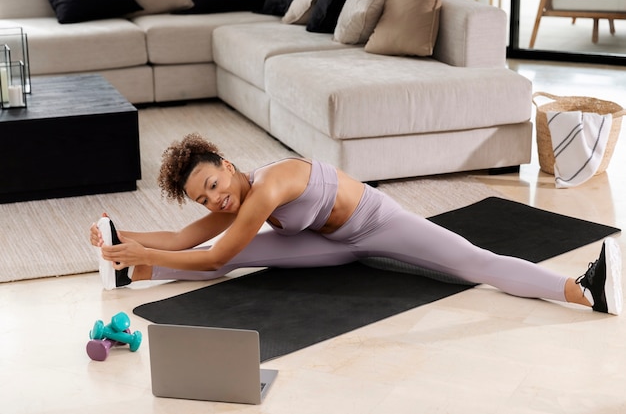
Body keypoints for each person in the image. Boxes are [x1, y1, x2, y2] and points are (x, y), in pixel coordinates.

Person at [90, 133, 623, 315]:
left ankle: (581, 290)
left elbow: (214, 254)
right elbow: (187, 239)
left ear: (227, 165)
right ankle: (129, 274)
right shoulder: (235, 203)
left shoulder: (270, 184)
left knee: (469, 261)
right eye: (202, 197)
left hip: (376, 224)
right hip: (327, 243)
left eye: (213, 184)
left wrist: (149, 249)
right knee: (237, 254)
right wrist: (122, 237)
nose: (215, 199)